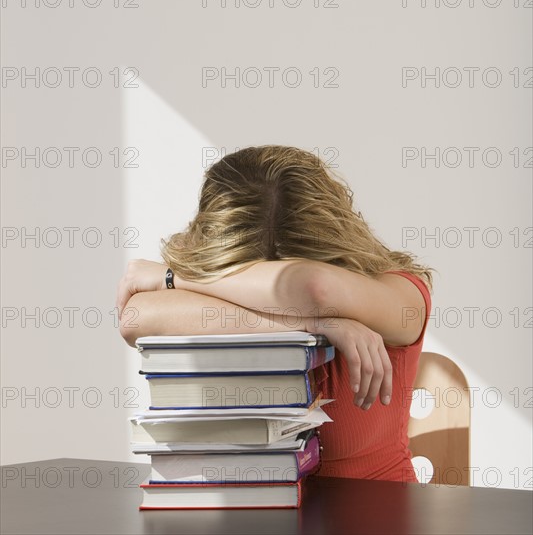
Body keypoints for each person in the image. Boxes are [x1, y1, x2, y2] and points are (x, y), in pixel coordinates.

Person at [116, 145, 434, 483]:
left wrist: (178, 276)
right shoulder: (305, 309)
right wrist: (315, 323)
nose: (264, 297)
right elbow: (136, 319)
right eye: (245, 276)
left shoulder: (402, 294)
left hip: (374, 512)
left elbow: (314, 287)